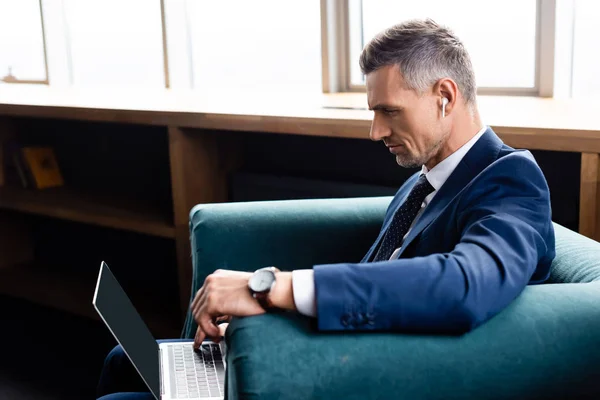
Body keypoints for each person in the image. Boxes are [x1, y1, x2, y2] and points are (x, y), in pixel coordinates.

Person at [97, 19, 555, 399]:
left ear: (445, 96)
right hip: (323, 343)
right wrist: (275, 313)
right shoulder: (426, 180)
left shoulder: (510, 180)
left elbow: (464, 284)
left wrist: (272, 289)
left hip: (359, 374)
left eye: (389, 111)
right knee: (124, 361)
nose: (375, 132)